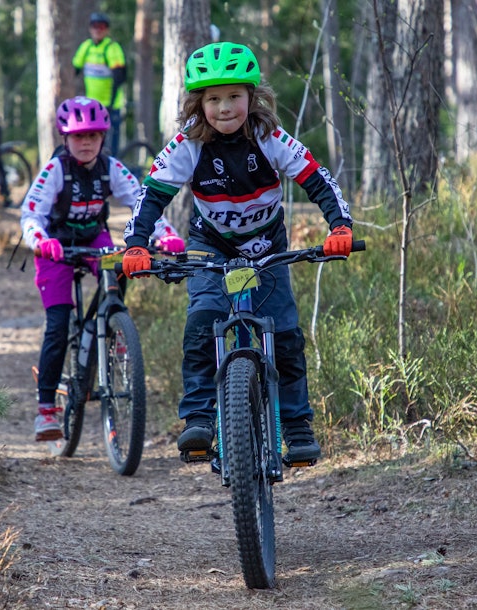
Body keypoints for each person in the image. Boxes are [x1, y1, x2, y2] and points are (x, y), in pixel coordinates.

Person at [120, 42, 354, 464]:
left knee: (285, 336)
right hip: (210, 246)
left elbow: (318, 179)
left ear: (252, 96)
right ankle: (198, 418)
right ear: (198, 103)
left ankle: (296, 427)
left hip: (267, 246)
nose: (224, 108)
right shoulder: (188, 144)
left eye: (233, 96)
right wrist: (136, 243)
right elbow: (151, 195)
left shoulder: (269, 138)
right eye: (213, 99)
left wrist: (340, 226)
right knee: (202, 322)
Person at [20, 96, 184, 441]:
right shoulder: (55, 170)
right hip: (55, 246)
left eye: (93, 136)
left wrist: (165, 235)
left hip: (95, 239)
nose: (86, 143)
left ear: (103, 137)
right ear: (65, 138)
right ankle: (46, 410)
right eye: (79, 136)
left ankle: (112, 325)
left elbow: (142, 203)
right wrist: (40, 240)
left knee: (121, 266)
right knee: (58, 324)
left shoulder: (111, 167)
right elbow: (31, 213)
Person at [72, 12, 127, 155]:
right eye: (95, 26)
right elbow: (74, 70)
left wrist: (111, 104)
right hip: (91, 105)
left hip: (111, 105)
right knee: (92, 144)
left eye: (102, 27)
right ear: (90, 28)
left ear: (107, 29)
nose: (98, 30)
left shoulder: (112, 48)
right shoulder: (86, 47)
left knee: (110, 147)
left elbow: (119, 78)